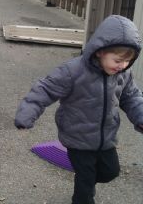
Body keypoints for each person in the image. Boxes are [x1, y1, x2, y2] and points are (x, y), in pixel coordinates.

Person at [14, 15, 143, 204]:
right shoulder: (73, 71)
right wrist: (27, 113)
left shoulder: (123, 74)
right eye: (117, 60)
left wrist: (140, 117)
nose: (122, 65)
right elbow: (45, 89)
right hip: (77, 137)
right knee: (85, 181)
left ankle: (86, 179)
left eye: (127, 61)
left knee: (110, 172)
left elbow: (132, 97)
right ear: (100, 52)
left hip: (106, 137)